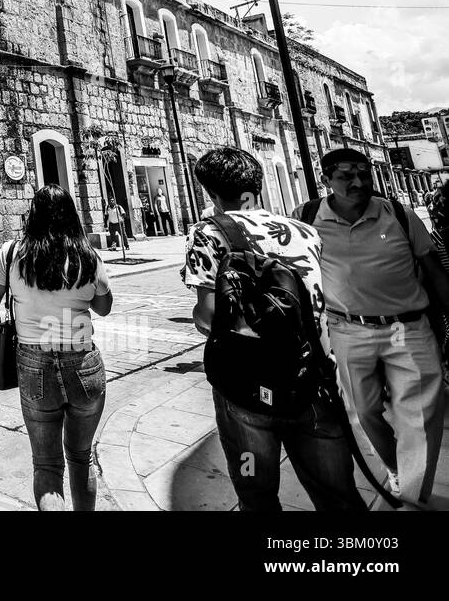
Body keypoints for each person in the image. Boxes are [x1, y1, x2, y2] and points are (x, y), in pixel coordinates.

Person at [183, 147, 366, 512]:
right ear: (256, 188)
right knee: (338, 494)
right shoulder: (306, 232)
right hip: (311, 380)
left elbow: (208, 316)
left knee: (256, 492)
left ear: (212, 194)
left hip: (246, 387)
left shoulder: (207, 232)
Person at [292, 147, 449, 509]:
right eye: (347, 176)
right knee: (363, 412)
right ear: (326, 179)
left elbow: (435, 273)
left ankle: (413, 494)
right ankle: (398, 469)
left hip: (407, 328)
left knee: (422, 417)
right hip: (348, 330)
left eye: (364, 173)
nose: (359, 182)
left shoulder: (398, 213)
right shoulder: (306, 217)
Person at [0, 184, 112, 511]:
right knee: (82, 456)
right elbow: (104, 307)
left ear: (33, 215)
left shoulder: (11, 254)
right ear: (72, 214)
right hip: (83, 361)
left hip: (33, 362)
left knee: (47, 464)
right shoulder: (87, 256)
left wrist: (1, 332)